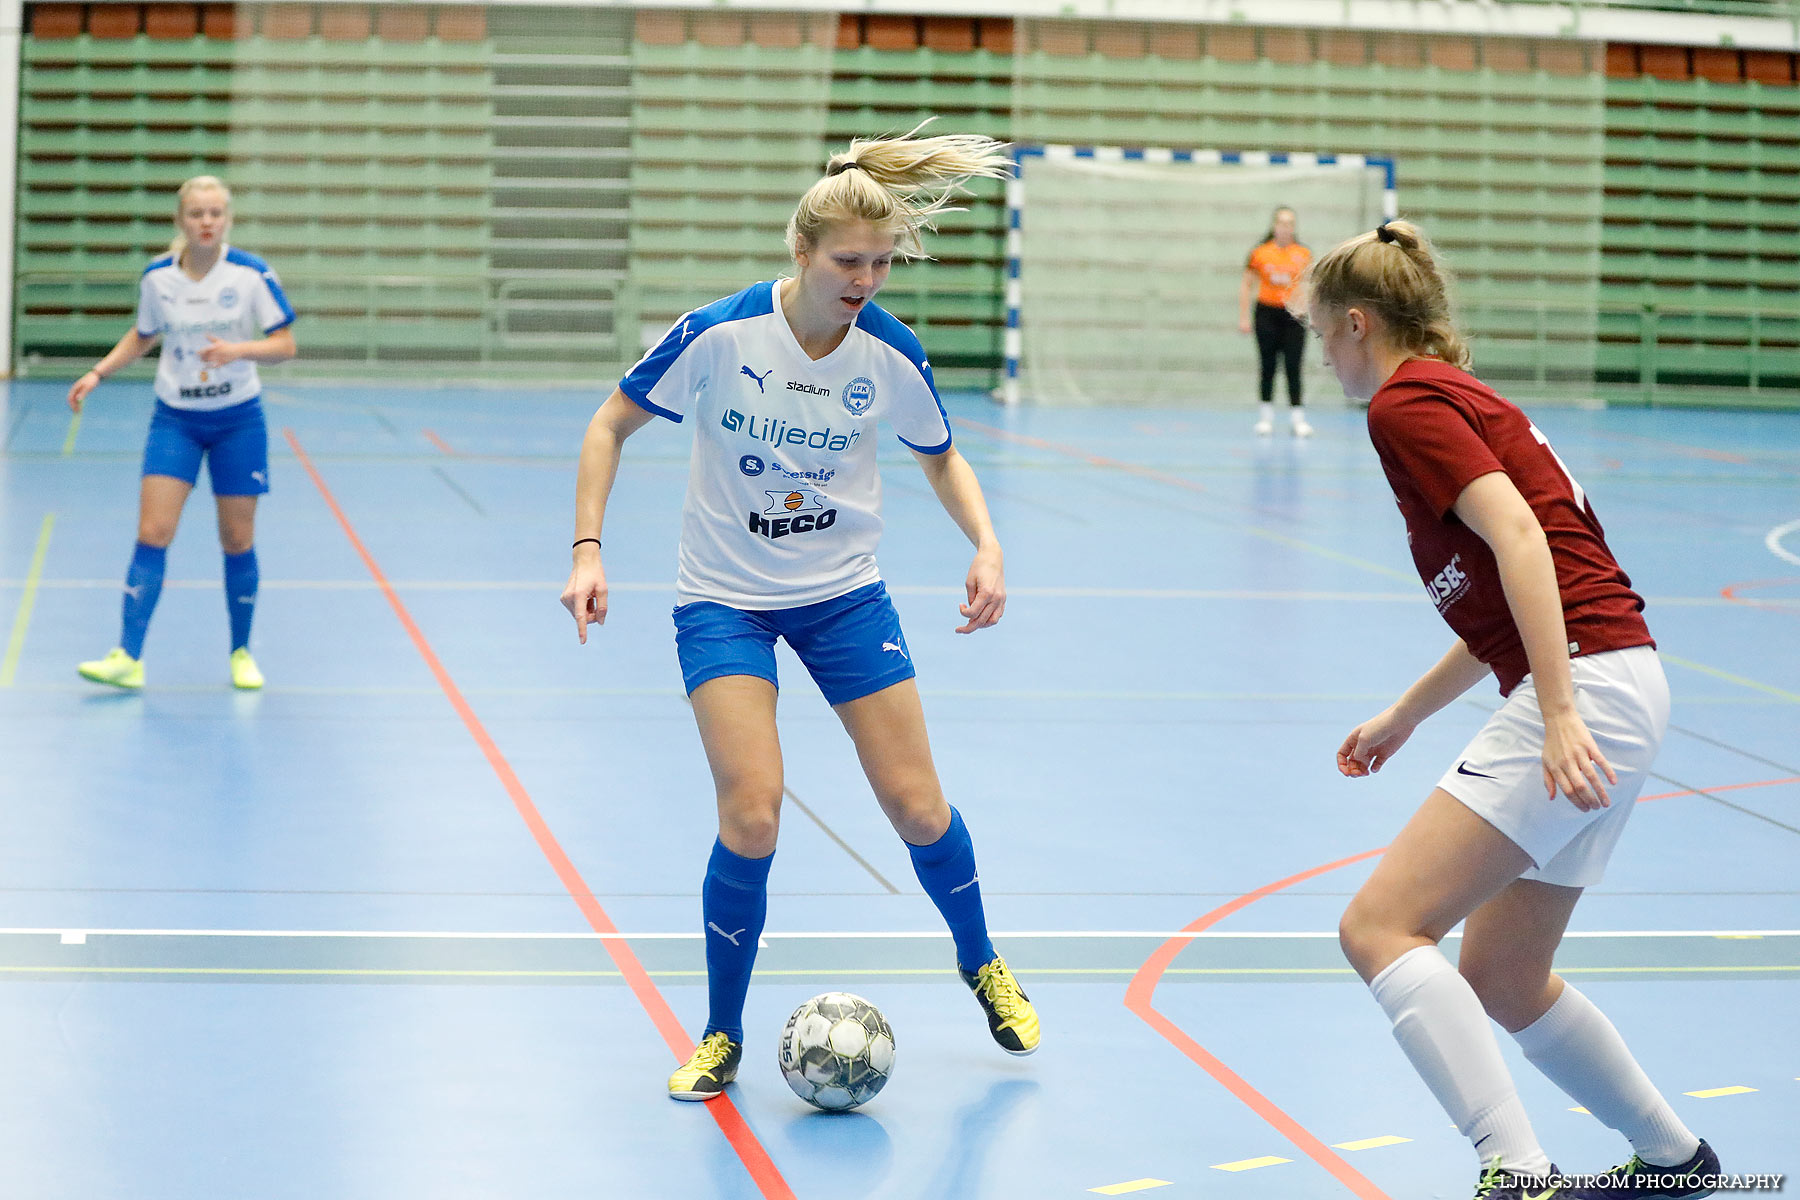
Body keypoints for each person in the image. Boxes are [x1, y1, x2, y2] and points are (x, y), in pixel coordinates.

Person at [559, 128, 1040, 1102]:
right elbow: (609, 421)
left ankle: (982, 960)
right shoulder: (722, 336)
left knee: (915, 805)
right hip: (724, 600)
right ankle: (722, 1034)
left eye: (880, 262)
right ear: (802, 254)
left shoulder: (889, 353)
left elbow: (939, 452)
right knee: (753, 813)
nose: (866, 279)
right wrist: (588, 549)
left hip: (843, 596)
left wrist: (984, 544)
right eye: (848, 261)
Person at [1298, 220, 1718, 1200]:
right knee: (1502, 971)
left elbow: (1524, 542)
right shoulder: (1457, 396)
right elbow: (1499, 584)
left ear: (1359, 324)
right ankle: (1676, 1160)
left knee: (1379, 928)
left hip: (1587, 684)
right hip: (1621, 675)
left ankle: (1517, 1172)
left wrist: (1560, 710)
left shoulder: (1405, 403)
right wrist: (1406, 712)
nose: (1324, 358)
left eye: (1324, 337)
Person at [69, 175, 298, 691]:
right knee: (153, 532)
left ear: (228, 219)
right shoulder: (157, 278)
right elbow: (143, 334)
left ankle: (241, 651)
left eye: (216, 213)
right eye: (197, 214)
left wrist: (239, 350)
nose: (207, 222)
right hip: (175, 419)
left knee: (237, 538)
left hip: (238, 419)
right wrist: (98, 372)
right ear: (181, 220)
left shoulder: (251, 274)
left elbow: (285, 344)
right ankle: (127, 656)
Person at [1239, 206, 1313, 437]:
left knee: (1293, 366)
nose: (1285, 227)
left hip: (1293, 316)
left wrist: (1309, 312)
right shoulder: (1260, 253)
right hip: (1266, 314)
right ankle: (1265, 418)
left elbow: (1310, 286)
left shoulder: (1303, 254)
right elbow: (1246, 285)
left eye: (1289, 223)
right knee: (1268, 365)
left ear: (1293, 227)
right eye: (1281, 222)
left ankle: (1297, 419)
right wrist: (1243, 317)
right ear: (1274, 226)